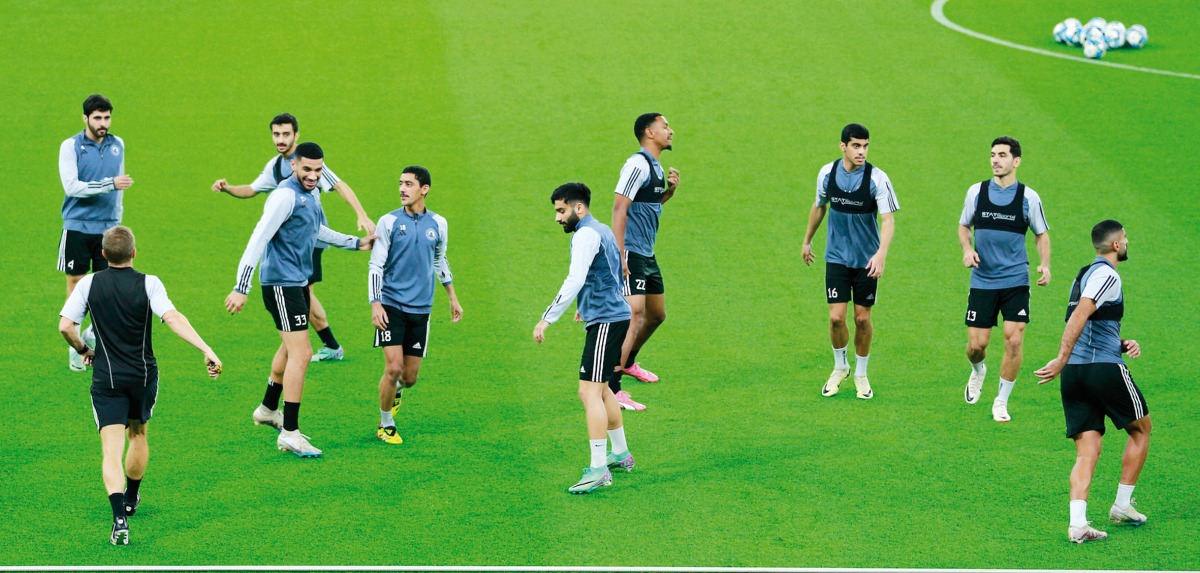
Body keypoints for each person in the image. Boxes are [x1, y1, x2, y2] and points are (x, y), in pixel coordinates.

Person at [58, 226, 222, 545]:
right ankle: (132, 498)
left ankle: (119, 519)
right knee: (138, 434)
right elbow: (173, 318)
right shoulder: (150, 283)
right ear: (134, 253)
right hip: (142, 376)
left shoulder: (89, 283)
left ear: (103, 255)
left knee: (111, 448)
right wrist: (206, 349)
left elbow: (66, 326)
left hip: (107, 378)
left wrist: (83, 350)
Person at [224, 142, 375, 457]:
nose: (313, 175)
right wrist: (241, 287)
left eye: (319, 170)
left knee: (289, 347)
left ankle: (268, 409)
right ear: (293, 166)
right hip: (281, 284)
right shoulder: (285, 196)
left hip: (297, 282)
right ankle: (289, 433)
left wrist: (355, 244)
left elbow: (315, 231)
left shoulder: (309, 194)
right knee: (302, 353)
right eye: (307, 169)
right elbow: (259, 238)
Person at [212, 113, 375, 362]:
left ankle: (321, 345)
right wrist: (228, 189)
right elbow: (252, 189)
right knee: (302, 294)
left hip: (311, 238)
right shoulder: (276, 166)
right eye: (276, 134)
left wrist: (361, 215)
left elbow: (339, 185)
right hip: (292, 236)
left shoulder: (308, 161)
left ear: (296, 135)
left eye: (286, 134)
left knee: (302, 293)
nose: (281, 139)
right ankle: (314, 343)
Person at [1036, 220, 1149, 545]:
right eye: (1125, 238)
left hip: (1076, 373)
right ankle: (1123, 505)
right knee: (1141, 429)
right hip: (1101, 368)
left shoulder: (1084, 273)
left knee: (1087, 451)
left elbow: (1089, 323)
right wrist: (1059, 357)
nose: (1127, 242)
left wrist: (1121, 340)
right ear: (1115, 245)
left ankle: (1078, 524)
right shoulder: (1107, 275)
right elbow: (1080, 315)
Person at [534, 182, 635, 494]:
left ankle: (598, 469)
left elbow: (576, 277)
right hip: (611, 315)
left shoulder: (585, 235)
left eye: (561, 211)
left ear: (579, 208)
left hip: (607, 320)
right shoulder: (601, 229)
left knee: (587, 392)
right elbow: (614, 268)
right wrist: (586, 305)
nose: (557, 218)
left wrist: (546, 318)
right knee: (602, 389)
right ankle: (620, 453)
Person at [802, 123, 899, 400]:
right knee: (835, 318)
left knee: (862, 319)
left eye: (866, 146)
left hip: (866, 261)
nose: (862, 152)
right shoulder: (827, 173)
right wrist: (807, 240)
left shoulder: (877, 178)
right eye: (856, 146)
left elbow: (888, 219)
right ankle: (840, 366)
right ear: (842, 146)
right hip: (836, 258)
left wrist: (881, 254)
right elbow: (819, 205)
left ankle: (861, 373)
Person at [958, 136, 1051, 422]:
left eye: (1002, 155)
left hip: (1015, 280)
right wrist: (967, 248)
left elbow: (1041, 234)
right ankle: (978, 371)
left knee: (1013, 340)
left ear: (1016, 161)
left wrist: (1045, 265)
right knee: (976, 346)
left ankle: (1001, 400)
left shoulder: (1028, 198)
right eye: (992, 155)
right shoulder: (977, 192)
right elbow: (964, 226)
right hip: (983, 280)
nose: (995, 160)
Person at [368, 166, 463, 444]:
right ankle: (386, 424)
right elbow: (376, 264)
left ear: (424, 189)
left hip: (421, 309)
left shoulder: (439, 224)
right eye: (400, 183)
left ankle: (395, 390)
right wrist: (376, 304)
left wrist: (452, 296)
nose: (402, 189)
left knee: (409, 378)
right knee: (393, 367)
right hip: (391, 305)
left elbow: (439, 260)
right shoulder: (388, 222)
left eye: (409, 184)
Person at [609, 112, 680, 411]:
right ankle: (611, 387)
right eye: (665, 127)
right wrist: (619, 254)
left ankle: (627, 362)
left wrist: (669, 193)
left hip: (647, 254)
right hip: (631, 252)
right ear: (649, 133)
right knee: (634, 315)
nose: (671, 131)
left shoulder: (655, 168)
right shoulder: (636, 165)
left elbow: (645, 207)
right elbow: (618, 208)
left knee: (656, 314)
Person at [58, 94, 135, 372]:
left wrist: (118, 219)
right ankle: (75, 345)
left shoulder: (118, 145)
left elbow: (121, 186)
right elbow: (72, 187)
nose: (103, 123)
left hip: (107, 228)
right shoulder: (71, 146)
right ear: (86, 119)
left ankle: (93, 333)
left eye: (107, 117)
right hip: (77, 226)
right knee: (77, 284)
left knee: (110, 285)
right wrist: (108, 184)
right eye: (98, 118)